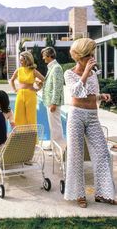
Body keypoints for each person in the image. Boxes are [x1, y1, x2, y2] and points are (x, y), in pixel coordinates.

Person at [64, 38, 116, 208]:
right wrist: (85, 72)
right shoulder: (69, 74)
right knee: (76, 156)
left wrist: (102, 96)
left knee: (103, 154)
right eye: (90, 55)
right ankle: (79, 194)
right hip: (76, 116)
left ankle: (103, 193)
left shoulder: (93, 74)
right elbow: (77, 93)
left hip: (93, 117)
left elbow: (91, 94)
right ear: (81, 57)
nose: (93, 58)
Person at [10, 51, 44, 126]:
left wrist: (38, 88)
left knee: (31, 118)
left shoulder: (33, 71)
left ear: (27, 60)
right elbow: (11, 80)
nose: (20, 62)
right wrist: (15, 90)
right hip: (20, 95)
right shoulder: (19, 70)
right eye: (20, 60)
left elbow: (44, 80)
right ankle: (20, 136)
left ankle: (32, 138)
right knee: (18, 117)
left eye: (22, 60)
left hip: (30, 95)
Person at [41, 47, 65, 149]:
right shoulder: (52, 67)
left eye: (44, 56)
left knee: (56, 126)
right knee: (53, 125)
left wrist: (54, 103)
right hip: (49, 101)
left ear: (49, 55)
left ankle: (58, 147)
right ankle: (53, 144)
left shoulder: (56, 68)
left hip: (52, 102)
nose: (43, 58)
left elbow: (58, 87)